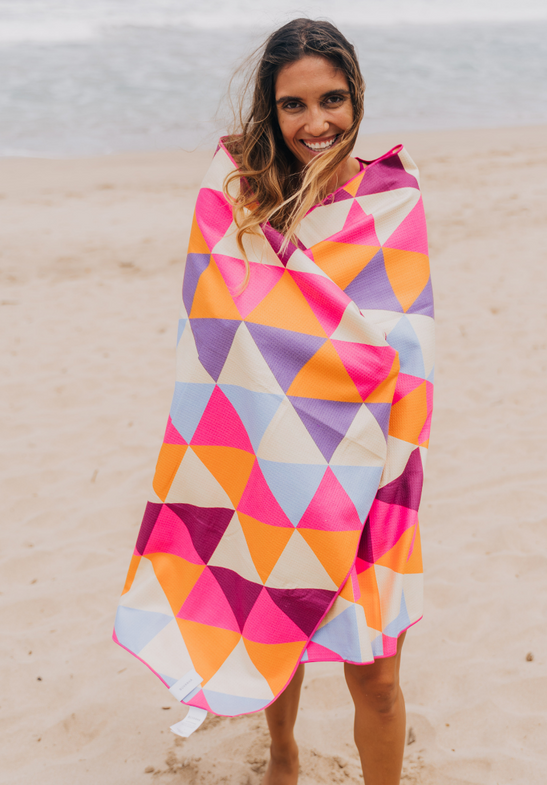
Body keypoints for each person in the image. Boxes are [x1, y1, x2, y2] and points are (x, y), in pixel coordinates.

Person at [113, 18, 434, 785]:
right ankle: (283, 755)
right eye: (295, 105)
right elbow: (213, 330)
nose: (316, 122)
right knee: (272, 626)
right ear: (271, 107)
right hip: (271, 452)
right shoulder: (242, 205)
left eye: (332, 99)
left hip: (374, 460)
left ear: (357, 96)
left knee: (378, 677)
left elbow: (410, 343)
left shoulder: (391, 201)